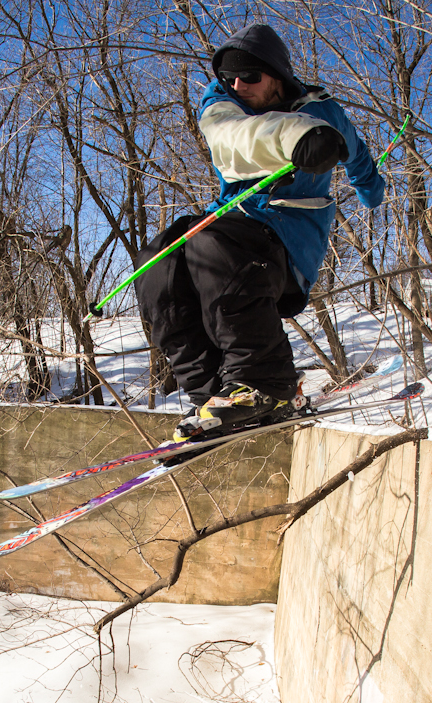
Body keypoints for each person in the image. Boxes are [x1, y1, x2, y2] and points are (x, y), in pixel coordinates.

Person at [134, 24, 387, 442]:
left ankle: (265, 382)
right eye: (228, 77)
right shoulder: (222, 103)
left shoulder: (324, 112)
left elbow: (357, 155)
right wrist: (296, 136)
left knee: (213, 245)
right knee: (159, 260)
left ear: (278, 76)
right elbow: (234, 138)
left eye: (249, 77)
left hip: (286, 242)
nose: (237, 86)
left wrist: (371, 191)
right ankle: (213, 394)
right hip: (234, 225)